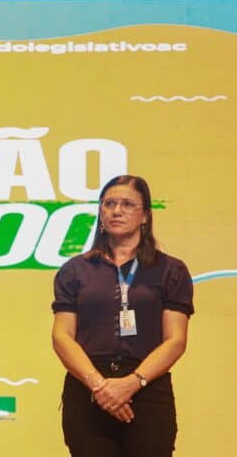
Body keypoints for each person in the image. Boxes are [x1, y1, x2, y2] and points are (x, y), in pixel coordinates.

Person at [51, 175, 194, 457]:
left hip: (147, 388)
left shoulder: (171, 270)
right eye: (109, 204)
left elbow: (176, 340)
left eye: (127, 204)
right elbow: (61, 336)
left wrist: (131, 383)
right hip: (88, 389)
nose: (116, 211)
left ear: (145, 215)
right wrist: (100, 386)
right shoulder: (74, 270)